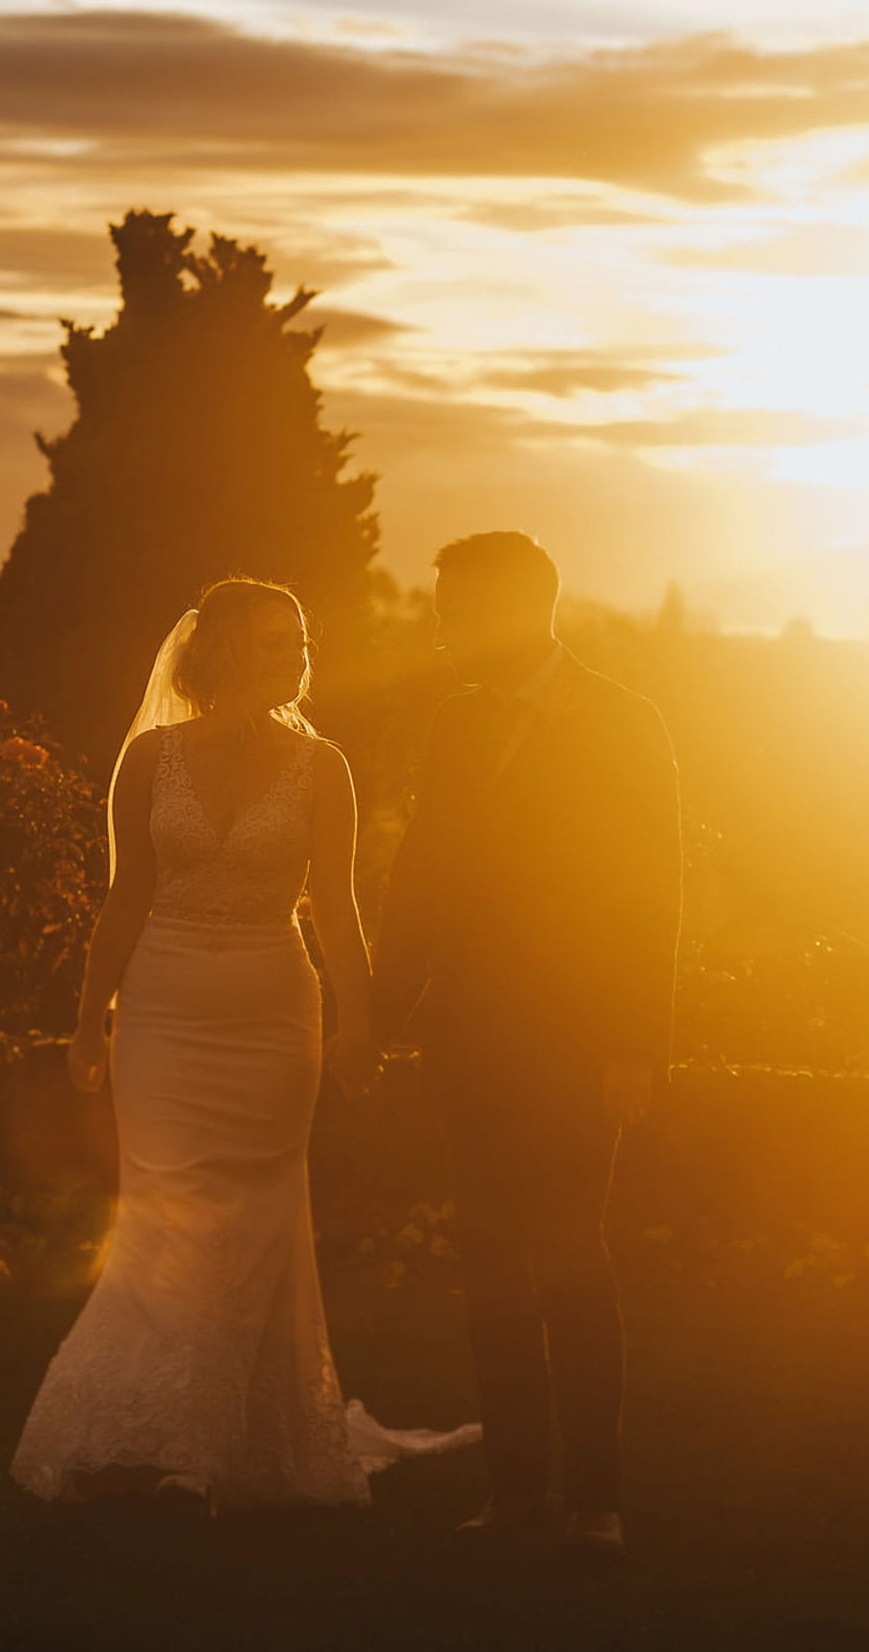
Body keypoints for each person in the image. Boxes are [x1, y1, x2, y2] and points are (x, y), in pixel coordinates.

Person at [11, 577, 478, 1509]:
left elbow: (340, 910)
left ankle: (209, 1443)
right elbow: (125, 899)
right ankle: (161, 1418)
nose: (297, 658)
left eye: (300, 643)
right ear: (219, 650)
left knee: (255, 1216)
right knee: (168, 1211)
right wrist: (87, 1017)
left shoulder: (324, 768)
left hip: (273, 1017)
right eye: (274, 642)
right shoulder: (150, 760)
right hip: (162, 1011)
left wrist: (359, 1023)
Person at [374, 532, 682, 1558]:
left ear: (513, 611)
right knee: (491, 1265)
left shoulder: (624, 721)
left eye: (454, 609)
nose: (441, 629)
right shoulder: (456, 720)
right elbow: (421, 872)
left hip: (575, 1041)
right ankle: (514, 1493)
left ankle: (595, 1498)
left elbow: (652, 895)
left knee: (570, 1260)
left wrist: (634, 1043)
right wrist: (381, 1014)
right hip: (468, 1040)